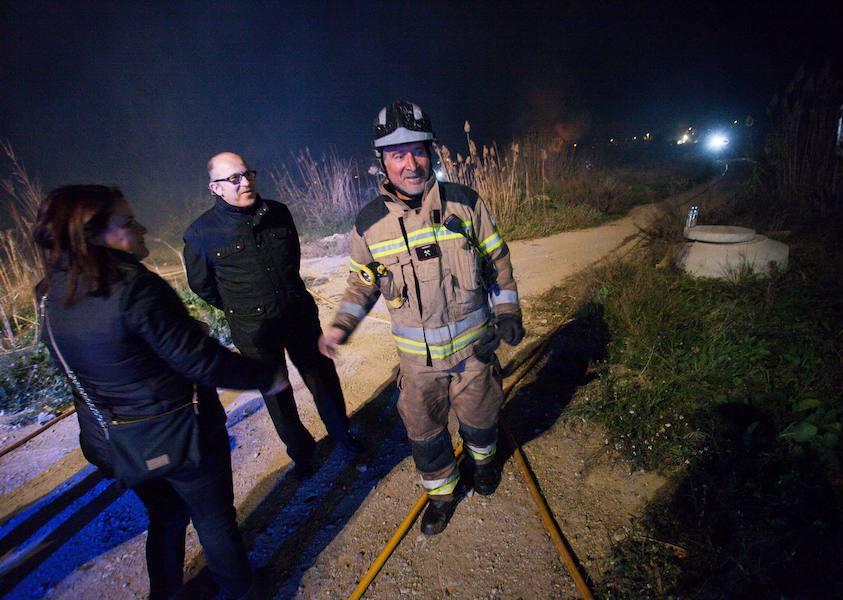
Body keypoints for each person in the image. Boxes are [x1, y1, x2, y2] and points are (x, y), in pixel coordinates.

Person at [33, 185, 287, 600]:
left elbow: (96, 359)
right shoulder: (134, 288)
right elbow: (201, 361)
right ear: (93, 234)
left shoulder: (48, 294)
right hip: (179, 434)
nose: (142, 228)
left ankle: (166, 593)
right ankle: (242, 589)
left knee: (165, 515)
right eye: (128, 222)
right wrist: (266, 375)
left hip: (114, 441)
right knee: (213, 517)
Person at [319, 100, 525, 535]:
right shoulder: (368, 225)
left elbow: (499, 263)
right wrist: (340, 326)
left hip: (475, 353)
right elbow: (362, 284)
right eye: (397, 155)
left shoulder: (466, 204)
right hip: (418, 367)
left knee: (482, 418)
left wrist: (506, 311)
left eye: (417, 151)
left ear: (431, 152)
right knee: (425, 433)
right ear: (382, 161)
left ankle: (484, 468)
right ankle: (442, 495)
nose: (410, 164)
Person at [183, 152, 360, 476]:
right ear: (215, 188)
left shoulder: (277, 213)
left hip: (298, 317)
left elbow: (291, 260)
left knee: (322, 379)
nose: (245, 181)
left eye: (248, 173)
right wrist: (240, 307)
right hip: (254, 331)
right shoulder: (201, 234)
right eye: (234, 178)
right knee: (277, 393)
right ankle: (303, 454)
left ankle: (343, 437)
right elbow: (202, 285)